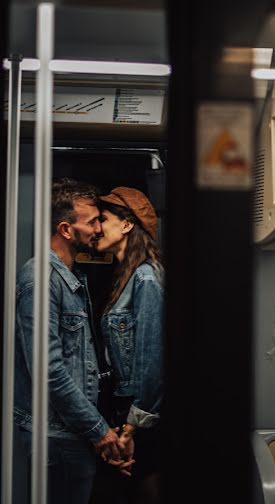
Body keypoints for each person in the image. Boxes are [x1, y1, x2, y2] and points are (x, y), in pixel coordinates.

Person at [14, 178, 131, 504]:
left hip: (72, 430)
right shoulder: (41, 279)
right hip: (58, 434)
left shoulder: (72, 278)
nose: (98, 227)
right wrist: (100, 431)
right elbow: (48, 370)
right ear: (66, 230)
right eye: (92, 220)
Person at [94, 186, 164, 503]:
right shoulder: (127, 275)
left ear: (126, 224)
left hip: (139, 413)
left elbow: (153, 360)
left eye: (103, 220)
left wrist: (132, 426)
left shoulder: (146, 278)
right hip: (124, 408)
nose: (96, 228)